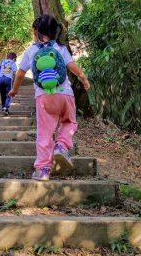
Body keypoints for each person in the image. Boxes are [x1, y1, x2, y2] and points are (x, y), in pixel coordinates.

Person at [9, 14, 90, 181]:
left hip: (44, 98)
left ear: (37, 32)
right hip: (65, 94)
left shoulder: (31, 51)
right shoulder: (60, 48)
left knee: (45, 132)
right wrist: (84, 79)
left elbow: (20, 74)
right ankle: (61, 145)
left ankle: (43, 170)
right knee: (69, 121)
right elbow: (73, 67)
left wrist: (14, 90)